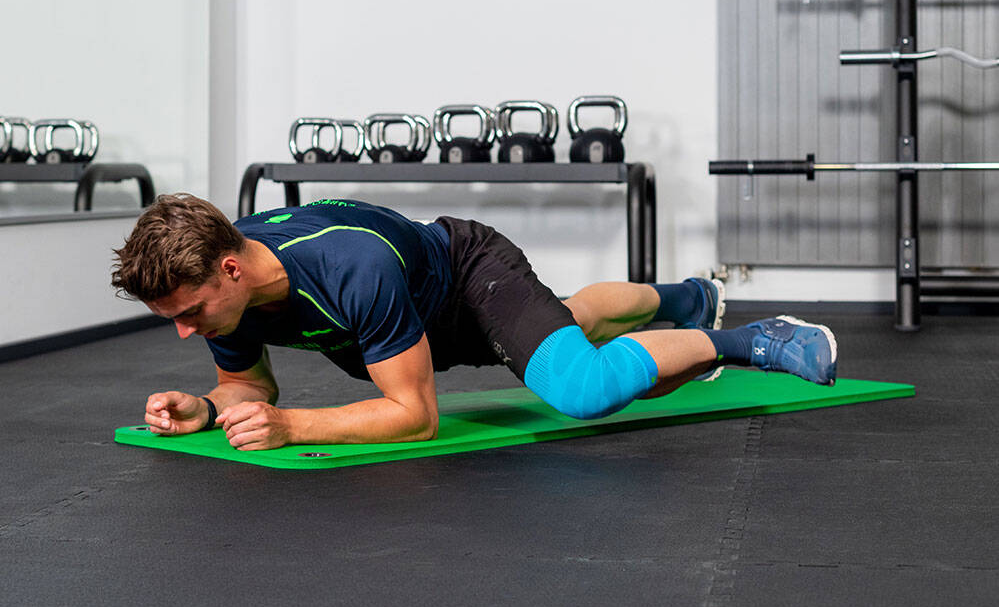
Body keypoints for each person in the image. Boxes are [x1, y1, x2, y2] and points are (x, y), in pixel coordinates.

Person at [111, 194, 837, 451]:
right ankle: (685, 298)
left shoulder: (347, 268)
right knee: (572, 318)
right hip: (419, 318)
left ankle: (752, 339)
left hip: (466, 275)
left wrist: (295, 427)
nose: (186, 329)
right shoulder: (220, 294)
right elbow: (249, 389)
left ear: (230, 271)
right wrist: (208, 407)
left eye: (190, 312)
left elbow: (415, 415)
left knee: (580, 384)